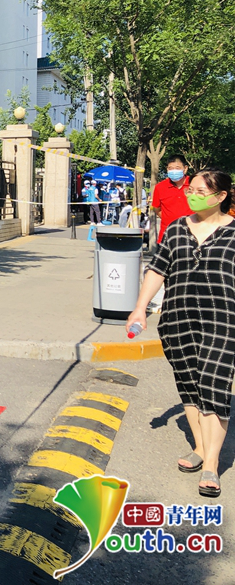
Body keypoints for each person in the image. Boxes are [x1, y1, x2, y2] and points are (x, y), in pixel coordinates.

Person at [127, 168, 235, 498]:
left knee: (214, 386)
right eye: (191, 190)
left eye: (201, 191)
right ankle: (200, 448)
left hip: (223, 322)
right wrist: (140, 308)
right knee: (190, 386)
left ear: (220, 196)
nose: (193, 196)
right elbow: (157, 269)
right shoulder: (176, 229)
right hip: (177, 320)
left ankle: (211, 465)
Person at [151, 154, 193, 243]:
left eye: (177, 168)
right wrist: (169, 218)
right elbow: (156, 208)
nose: (174, 171)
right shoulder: (160, 187)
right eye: (170, 168)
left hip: (192, 234)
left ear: (185, 168)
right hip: (167, 235)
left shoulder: (194, 184)